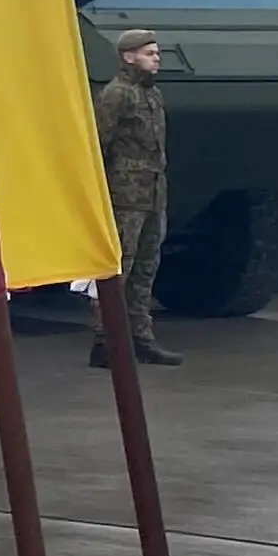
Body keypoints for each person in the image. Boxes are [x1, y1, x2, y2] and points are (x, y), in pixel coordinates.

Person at [89, 26, 177, 367]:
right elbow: (99, 141)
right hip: (124, 195)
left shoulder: (152, 96)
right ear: (129, 57)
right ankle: (105, 340)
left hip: (153, 193)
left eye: (156, 52)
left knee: (145, 268)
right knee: (117, 269)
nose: (156, 58)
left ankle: (140, 337)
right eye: (148, 53)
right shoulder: (117, 94)